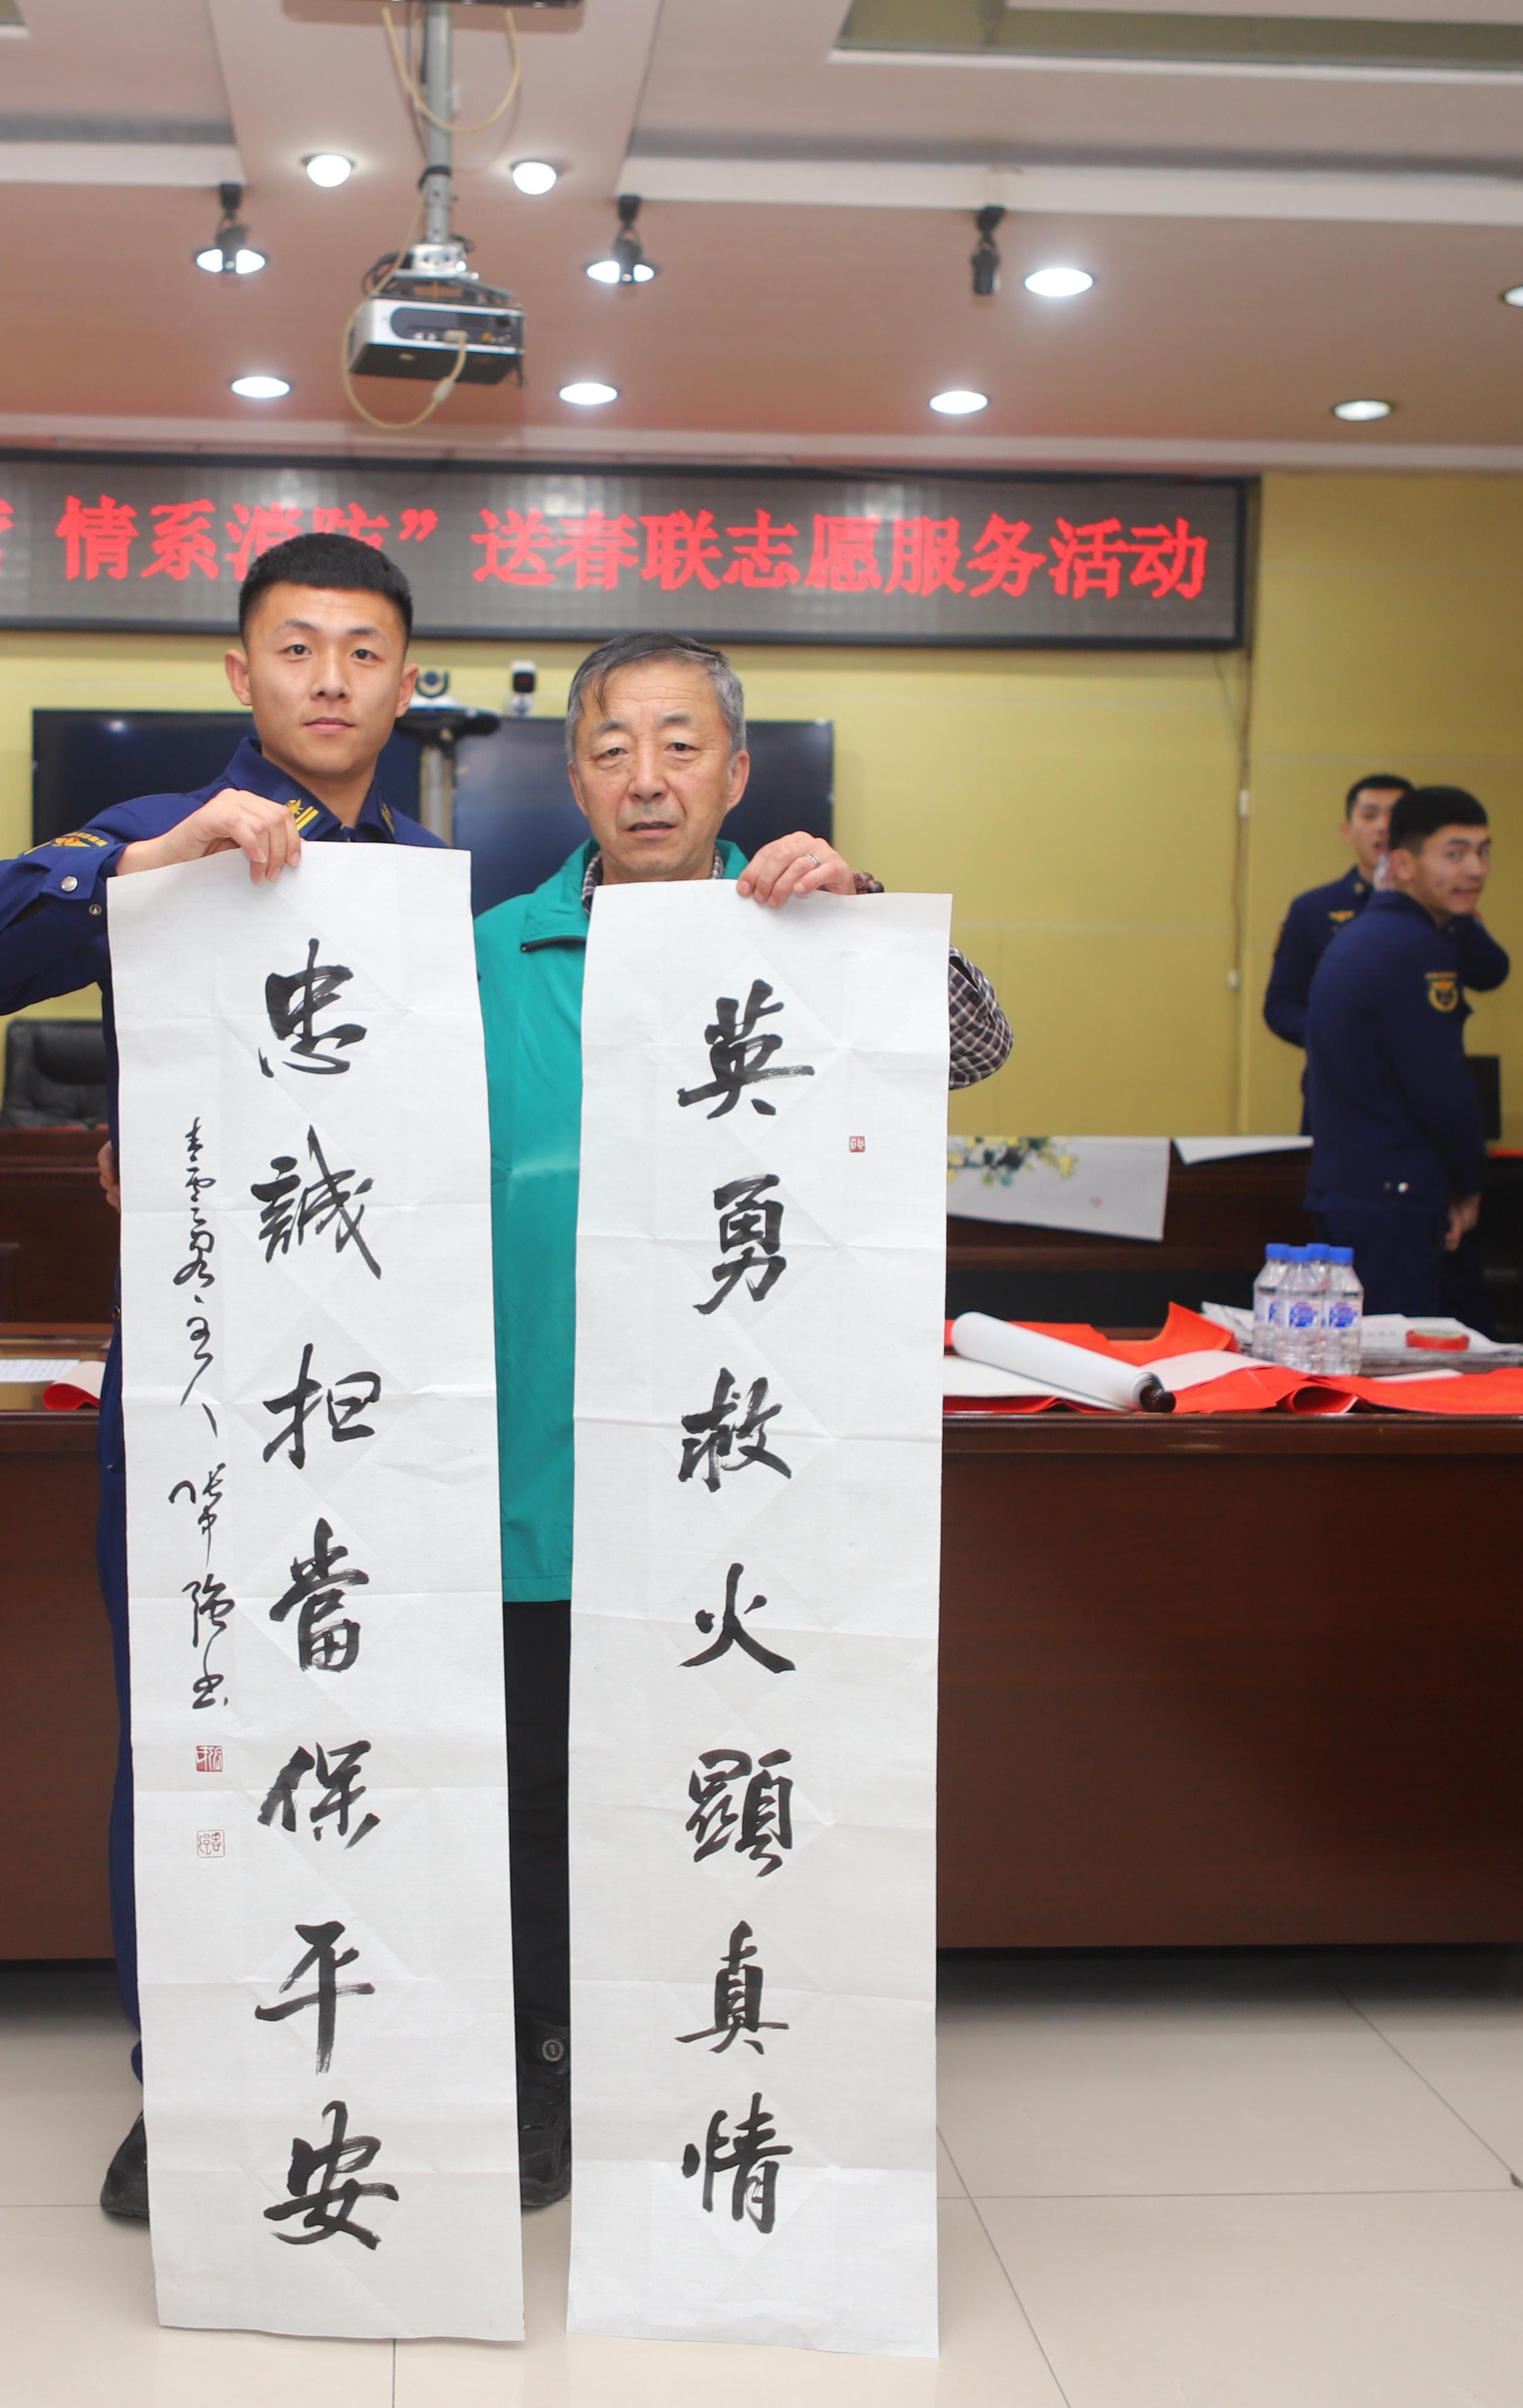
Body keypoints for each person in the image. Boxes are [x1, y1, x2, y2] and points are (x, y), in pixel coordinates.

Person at [0, 529, 442, 2227]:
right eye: (297, 647)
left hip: (391, 1375)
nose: (330, 680)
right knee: (194, 1713)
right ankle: (186, 2081)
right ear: (239, 672)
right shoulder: (157, 833)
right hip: (205, 1372)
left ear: (405, 684)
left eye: (363, 651)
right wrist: (141, 870)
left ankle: (361, 2045)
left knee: (378, 1712)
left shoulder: (433, 880)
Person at [474, 630, 1012, 2208]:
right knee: (537, 1798)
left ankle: (710, 2069)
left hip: (746, 1477)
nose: (645, 777)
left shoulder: (810, 926)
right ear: (573, 776)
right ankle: (542, 2067)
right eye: (612, 747)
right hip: (539, 1464)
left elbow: (975, 1045)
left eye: (679, 744)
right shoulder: (487, 954)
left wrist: (862, 916)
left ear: (735, 771)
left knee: (719, 1783)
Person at [1301, 785, 1494, 1326]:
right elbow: (1441, 1088)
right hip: (1394, 1198)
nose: (1475, 870)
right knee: (1401, 1364)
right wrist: (1471, 1181)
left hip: (1348, 1189)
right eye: (1454, 854)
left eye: (1483, 852)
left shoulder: (1361, 935)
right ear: (1404, 864)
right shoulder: (1417, 948)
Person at [1262, 771, 1509, 1090]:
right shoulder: (1315, 908)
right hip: (1342, 1083)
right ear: (1347, 831)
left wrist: (1452, 916)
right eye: (1370, 816)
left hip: (1427, 1082)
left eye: (1395, 815)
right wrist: (1342, 1034)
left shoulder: (1445, 902)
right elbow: (1281, 1006)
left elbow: (1491, 973)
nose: (1384, 826)